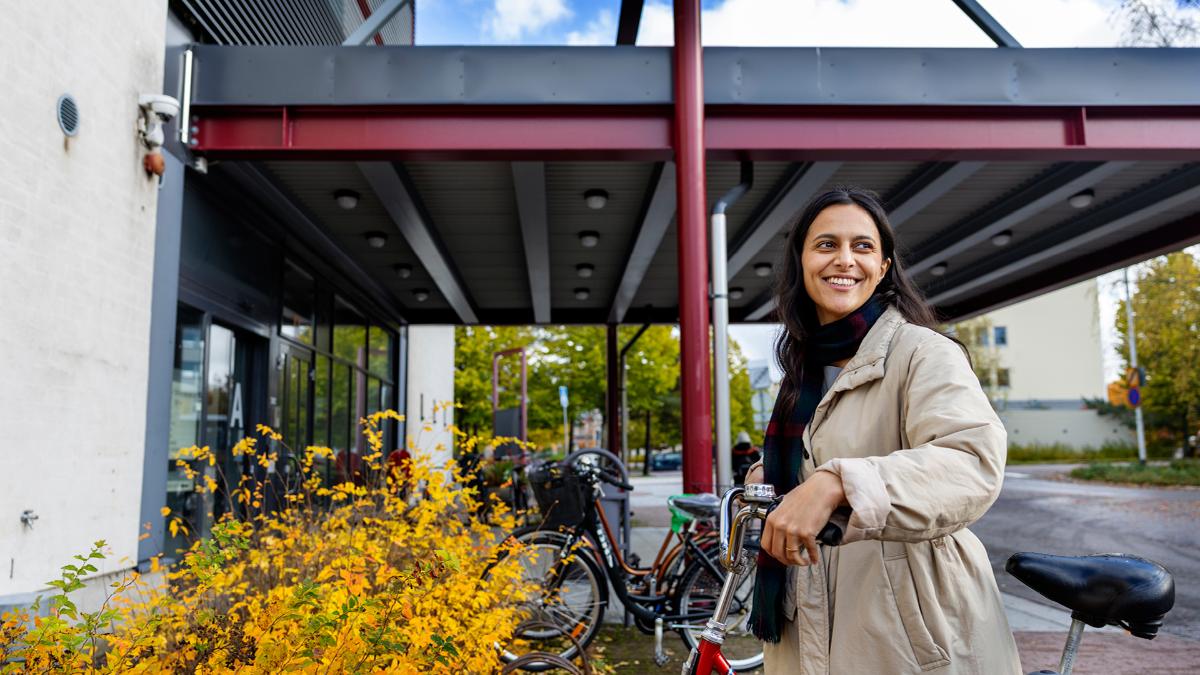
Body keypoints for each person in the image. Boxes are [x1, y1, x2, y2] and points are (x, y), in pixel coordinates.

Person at [744, 187, 1020, 674]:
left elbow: (971, 463)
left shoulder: (923, 352)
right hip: (805, 620)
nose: (844, 259)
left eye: (862, 246)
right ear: (801, 261)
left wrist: (838, 483)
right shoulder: (802, 372)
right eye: (826, 244)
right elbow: (812, 456)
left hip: (912, 635)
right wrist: (768, 477)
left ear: (883, 266)